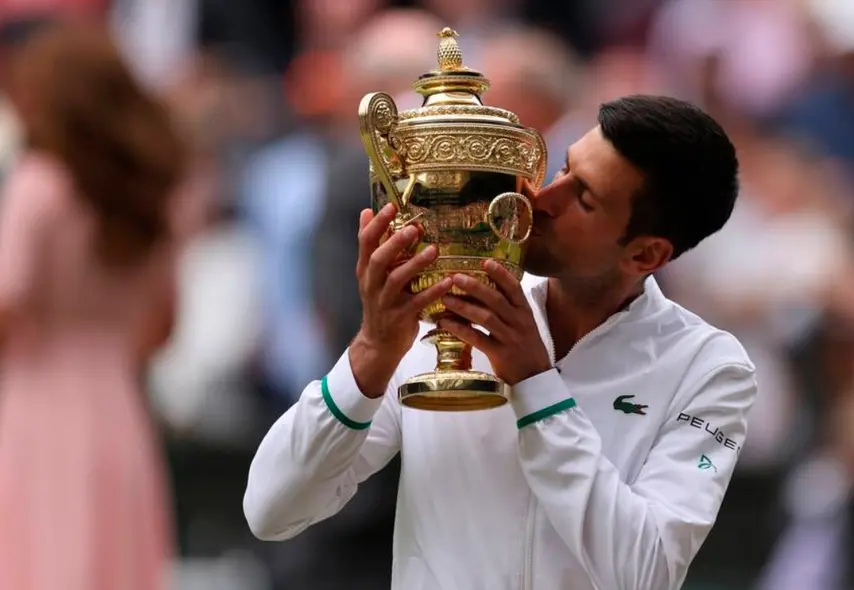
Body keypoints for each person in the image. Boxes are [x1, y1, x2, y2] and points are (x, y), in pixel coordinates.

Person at [245, 95, 757, 590]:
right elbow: (271, 509)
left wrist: (537, 387)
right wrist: (370, 353)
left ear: (645, 255)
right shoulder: (448, 305)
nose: (541, 199)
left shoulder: (710, 368)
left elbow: (645, 572)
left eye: (583, 199)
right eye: (563, 169)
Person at [0, 21, 195, 590]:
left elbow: (7, 300)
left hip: (36, 406)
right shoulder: (152, 199)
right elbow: (163, 326)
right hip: (120, 411)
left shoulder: (40, 185)